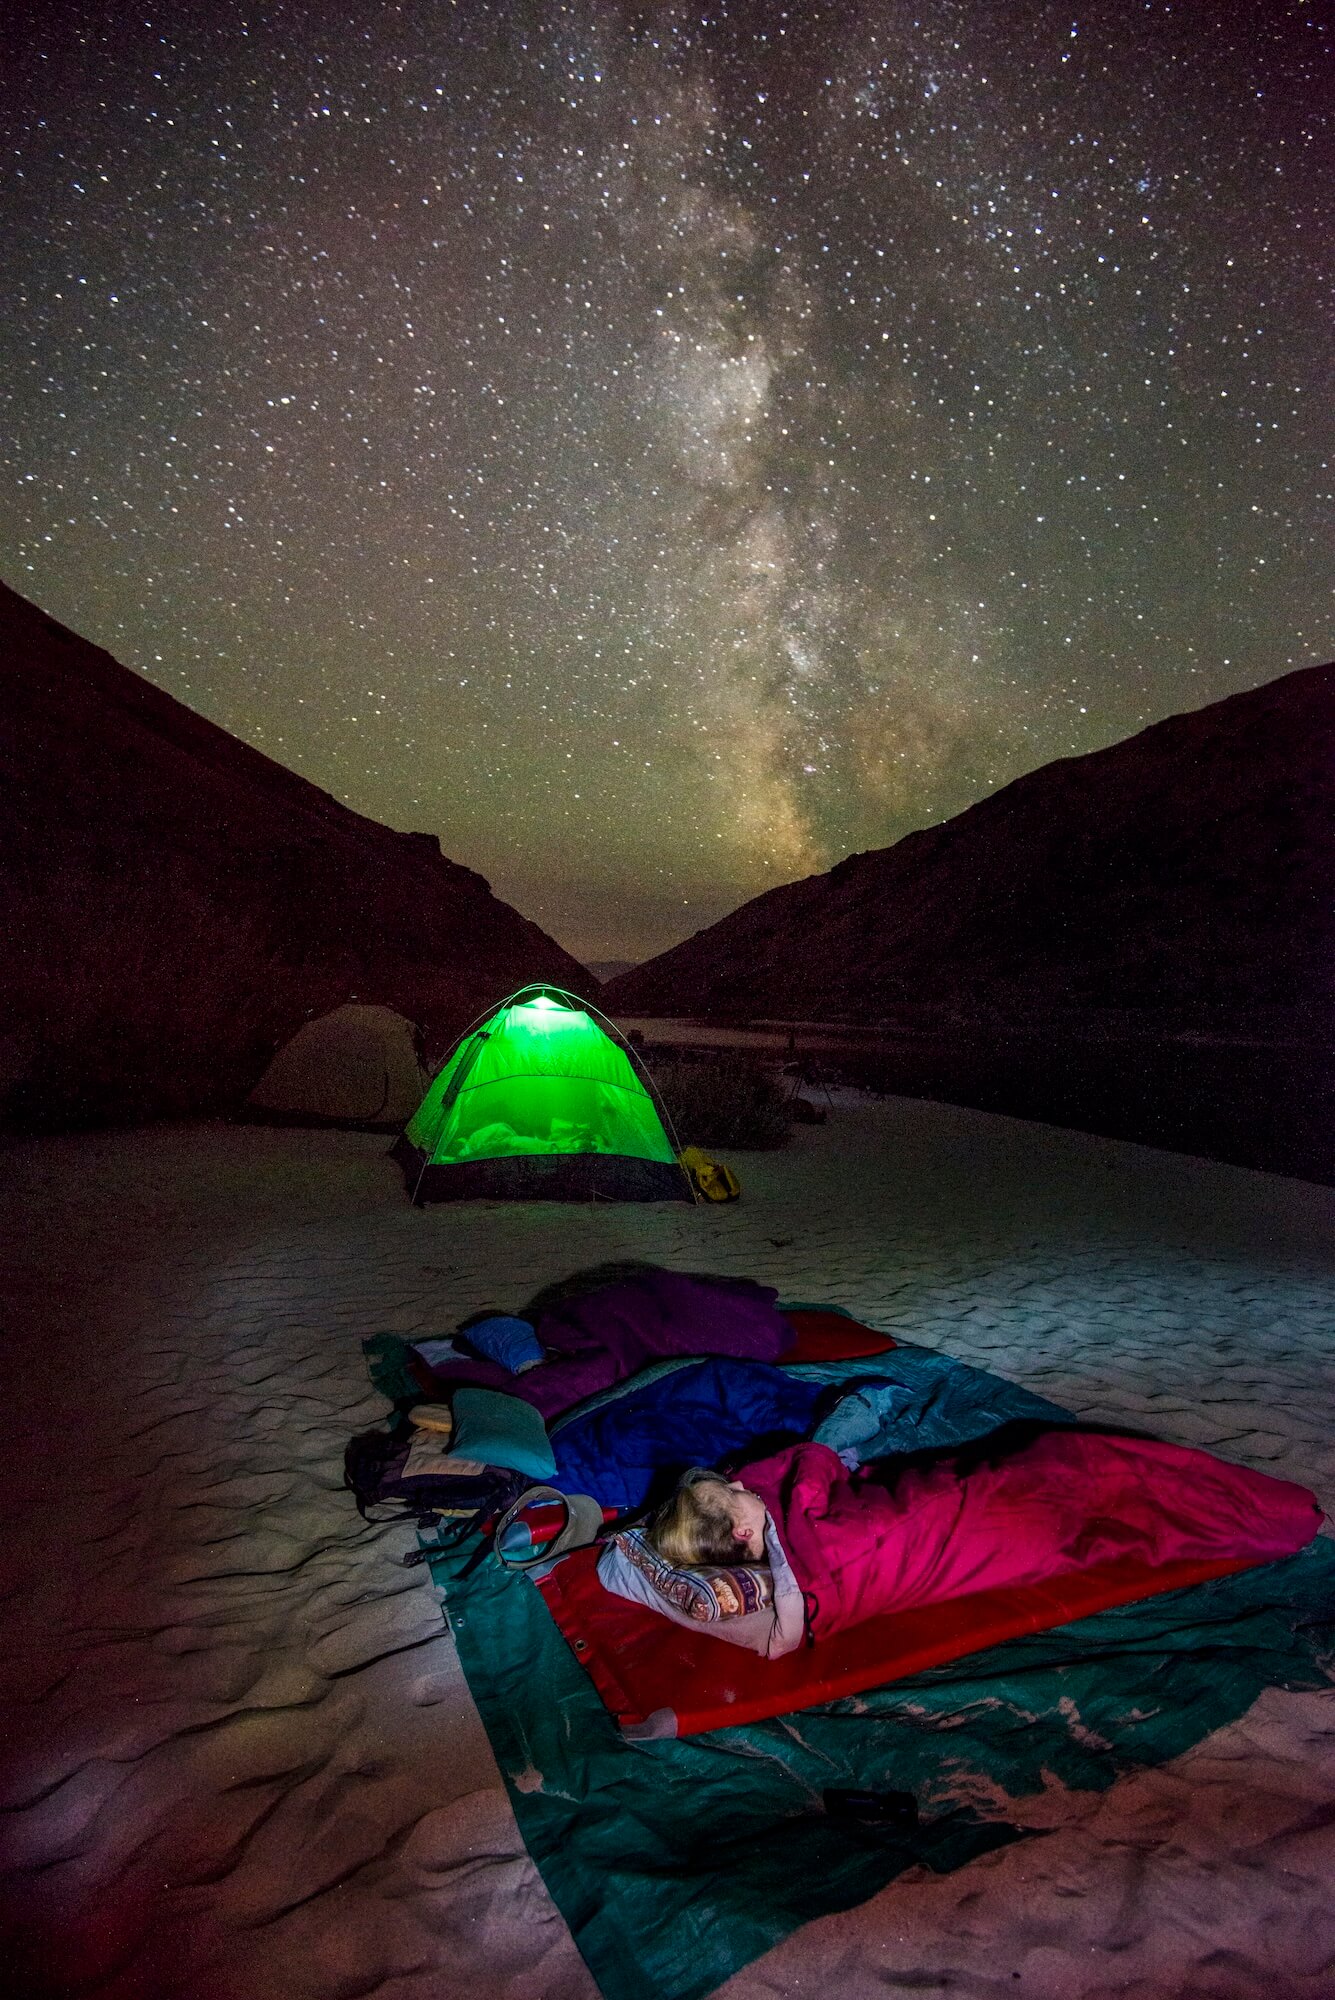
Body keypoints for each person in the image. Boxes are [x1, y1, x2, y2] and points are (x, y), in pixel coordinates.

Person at [598, 1430, 1322, 1660]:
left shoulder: (770, 1547)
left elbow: (619, 1564)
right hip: (1006, 1519)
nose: (734, 1481)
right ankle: (1292, 1516)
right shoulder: (825, 1564)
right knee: (1102, 1474)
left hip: (954, 1513)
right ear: (746, 1530)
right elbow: (814, 1463)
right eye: (731, 1491)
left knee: (1095, 1479)